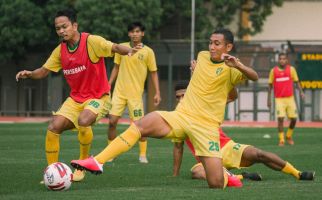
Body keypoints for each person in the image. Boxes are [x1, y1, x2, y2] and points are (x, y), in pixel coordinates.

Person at [71, 28, 259, 189]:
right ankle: (97, 161)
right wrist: (195, 73)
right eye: (210, 42)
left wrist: (239, 65)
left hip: (206, 127)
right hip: (183, 116)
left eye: (217, 43)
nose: (211, 47)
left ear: (228, 47)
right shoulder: (202, 56)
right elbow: (200, 82)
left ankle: (232, 177)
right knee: (142, 124)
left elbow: (254, 77)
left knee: (216, 183)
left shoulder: (232, 67)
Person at [15, 8, 140, 183]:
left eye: (64, 26)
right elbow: (43, 71)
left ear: (75, 25)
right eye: (58, 28)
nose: (61, 31)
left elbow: (113, 47)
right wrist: (30, 74)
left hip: (99, 97)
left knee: (84, 120)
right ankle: (52, 172)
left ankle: (81, 165)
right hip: (75, 99)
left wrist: (128, 50)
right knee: (53, 127)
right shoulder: (60, 50)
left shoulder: (92, 42)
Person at [172, 81, 314, 181]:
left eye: (184, 95)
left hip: (228, 148)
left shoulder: (206, 104)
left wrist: (230, 80)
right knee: (196, 172)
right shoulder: (177, 118)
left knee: (259, 154)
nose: (180, 99)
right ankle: (242, 176)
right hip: (208, 159)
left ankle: (298, 174)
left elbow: (232, 96)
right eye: (178, 97)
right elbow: (178, 147)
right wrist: (175, 175)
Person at [107, 22, 161, 164]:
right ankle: (110, 153)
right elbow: (116, 68)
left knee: (140, 126)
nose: (135, 34)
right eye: (132, 31)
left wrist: (157, 93)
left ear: (142, 33)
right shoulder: (122, 48)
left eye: (138, 31)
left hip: (135, 95)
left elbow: (154, 73)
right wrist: (108, 84)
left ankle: (142, 155)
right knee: (112, 122)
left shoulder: (148, 52)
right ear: (129, 34)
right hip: (119, 93)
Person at [267, 53, 305, 146]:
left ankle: (288, 135)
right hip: (279, 99)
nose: (282, 60)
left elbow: (297, 82)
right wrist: (268, 99)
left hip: (290, 98)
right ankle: (282, 140)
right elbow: (270, 86)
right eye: (280, 59)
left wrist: (301, 92)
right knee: (280, 119)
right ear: (278, 60)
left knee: (294, 119)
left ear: (287, 60)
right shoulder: (273, 71)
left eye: (284, 59)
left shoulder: (291, 69)